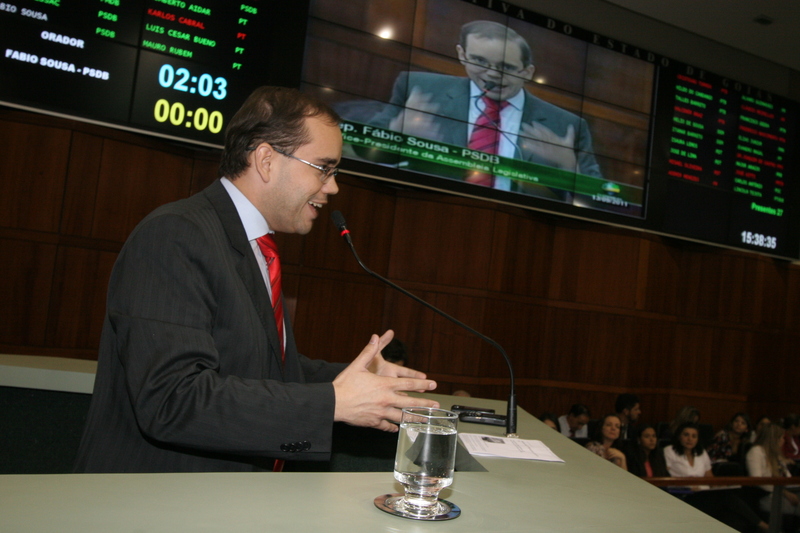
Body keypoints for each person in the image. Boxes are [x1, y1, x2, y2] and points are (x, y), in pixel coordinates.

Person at [73, 87, 439, 473]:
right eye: (324, 168)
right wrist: (334, 402)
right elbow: (172, 399)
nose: (333, 186)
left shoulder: (255, 248)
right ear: (266, 160)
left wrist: (354, 380)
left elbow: (262, 367)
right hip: (159, 497)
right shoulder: (175, 234)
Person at [371, 20, 602, 197]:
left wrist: (570, 168)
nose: (491, 74)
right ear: (462, 55)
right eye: (480, 61)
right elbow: (361, 152)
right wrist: (395, 133)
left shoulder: (566, 125)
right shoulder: (419, 88)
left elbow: (601, 201)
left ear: (527, 72)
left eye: (505, 67)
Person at [665, 422, 769, 532]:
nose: (690, 439)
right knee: (727, 498)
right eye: (686, 435)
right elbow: (666, 480)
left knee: (731, 513)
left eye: (694, 436)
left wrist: (720, 486)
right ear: (679, 436)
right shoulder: (669, 451)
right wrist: (687, 488)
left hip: (705, 493)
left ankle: (759, 526)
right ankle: (763, 525)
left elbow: (710, 477)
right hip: (684, 495)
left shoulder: (701, 453)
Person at [746, 423, 800, 527]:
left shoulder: (776, 455)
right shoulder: (756, 452)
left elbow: (788, 477)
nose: (783, 441)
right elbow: (757, 481)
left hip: (785, 491)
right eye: (782, 438)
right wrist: (784, 492)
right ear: (774, 439)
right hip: (766, 496)